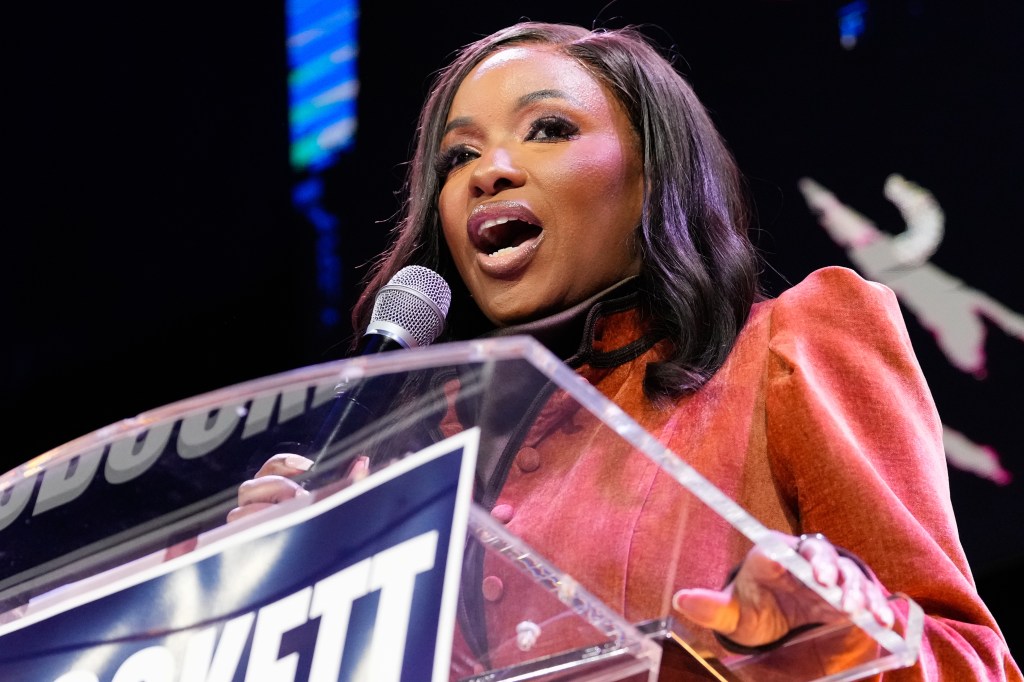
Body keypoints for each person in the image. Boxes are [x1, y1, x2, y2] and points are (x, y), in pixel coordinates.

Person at [229, 21, 1021, 680]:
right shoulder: (402, 474)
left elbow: (968, 660)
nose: (488, 173)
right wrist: (268, 602)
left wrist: (837, 634)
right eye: (459, 156)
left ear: (650, 178)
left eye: (548, 129)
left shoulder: (790, 343)